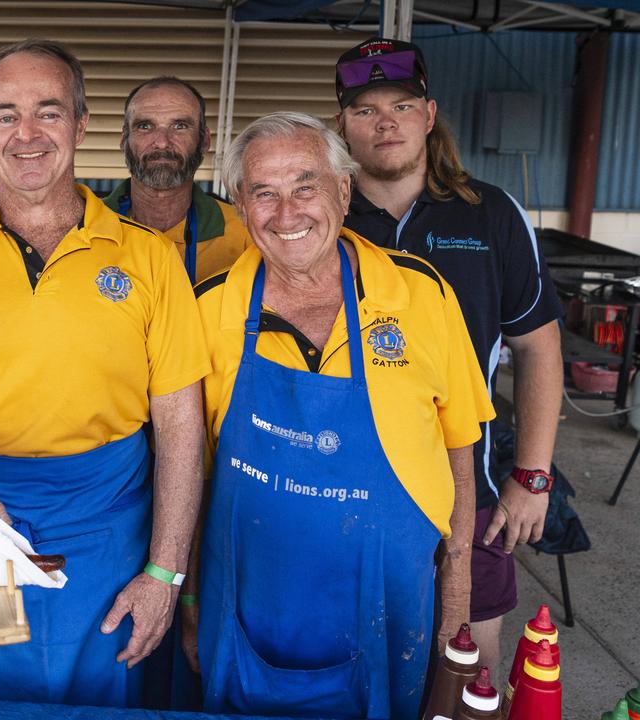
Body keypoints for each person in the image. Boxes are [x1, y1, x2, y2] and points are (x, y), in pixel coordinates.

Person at [0, 39, 208, 708]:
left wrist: (165, 572)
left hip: (111, 522)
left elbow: (182, 425)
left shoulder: (148, 259)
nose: (27, 135)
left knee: (100, 692)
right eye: (6, 114)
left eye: (48, 112)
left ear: (81, 124)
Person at [191, 112, 494, 719]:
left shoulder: (422, 294)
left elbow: (460, 445)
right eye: (263, 193)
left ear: (344, 190)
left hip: (392, 601)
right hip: (248, 599)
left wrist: (456, 589)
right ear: (240, 205)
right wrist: (189, 596)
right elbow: (189, 473)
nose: (287, 214)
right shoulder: (208, 307)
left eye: (306, 186)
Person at [335, 37, 563, 671]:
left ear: (429, 115)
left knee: (467, 671)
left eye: (402, 105)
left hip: (472, 493)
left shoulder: (491, 214)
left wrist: (534, 476)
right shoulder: (320, 217)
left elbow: (538, 348)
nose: (386, 123)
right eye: (365, 109)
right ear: (342, 126)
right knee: (349, 664)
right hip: (343, 487)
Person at [103, 76, 252, 284]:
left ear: (204, 141)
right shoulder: (85, 225)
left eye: (180, 126)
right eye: (145, 126)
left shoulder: (246, 233)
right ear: (124, 141)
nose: (162, 143)